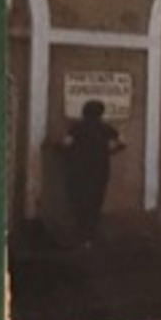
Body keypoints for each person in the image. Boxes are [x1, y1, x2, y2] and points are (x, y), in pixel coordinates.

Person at [63, 99, 124, 246]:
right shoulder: (105, 128)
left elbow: (66, 144)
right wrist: (110, 152)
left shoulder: (77, 127)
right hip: (100, 169)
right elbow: (122, 142)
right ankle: (90, 234)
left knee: (80, 199)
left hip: (79, 169)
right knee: (95, 200)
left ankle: (81, 233)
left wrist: (72, 154)